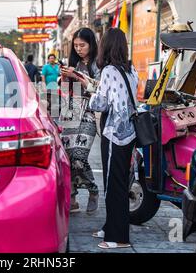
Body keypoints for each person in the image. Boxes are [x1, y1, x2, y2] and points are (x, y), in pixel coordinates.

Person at [78, 28, 138, 249]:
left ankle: (118, 236)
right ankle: (110, 226)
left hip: (114, 133)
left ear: (105, 46)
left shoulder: (108, 71)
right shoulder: (131, 70)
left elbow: (101, 103)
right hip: (129, 133)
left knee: (114, 185)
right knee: (119, 181)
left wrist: (90, 95)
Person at [59, 27, 100, 214]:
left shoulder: (99, 64)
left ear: (91, 44)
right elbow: (66, 92)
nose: (78, 49)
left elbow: (99, 88)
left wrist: (78, 76)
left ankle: (93, 190)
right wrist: (64, 78)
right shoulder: (72, 63)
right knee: (68, 155)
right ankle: (73, 197)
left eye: (82, 45)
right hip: (71, 109)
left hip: (89, 110)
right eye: (75, 46)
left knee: (79, 155)